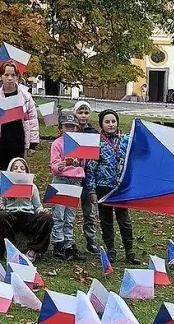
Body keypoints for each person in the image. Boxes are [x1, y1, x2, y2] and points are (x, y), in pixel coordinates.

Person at [85, 109, 138, 264]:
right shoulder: (97, 142)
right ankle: (111, 250)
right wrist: (92, 190)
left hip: (121, 187)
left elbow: (142, 148)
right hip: (103, 187)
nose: (111, 124)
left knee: (124, 220)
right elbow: (91, 169)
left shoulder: (126, 140)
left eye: (113, 121)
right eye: (107, 122)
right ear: (101, 123)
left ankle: (130, 250)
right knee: (106, 220)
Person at [0, 61, 39, 179]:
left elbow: (33, 120)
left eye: (13, 75)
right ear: (1, 76)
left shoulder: (25, 97)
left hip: (19, 142)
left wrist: (33, 144)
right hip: (1, 142)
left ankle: (17, 195)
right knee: (2, 171)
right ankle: (1, 195)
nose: (9, 78)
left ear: (18, 76)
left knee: (17, 172)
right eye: (6, 75)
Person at [0, 157, 52, 263]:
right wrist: (0, 208)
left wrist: (42, 211)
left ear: (26, 171)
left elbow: (37, 206)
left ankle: (33, 250)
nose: (19, 170)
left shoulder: (32, 187)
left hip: (28, 216)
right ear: (10, 171)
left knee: (47, 219)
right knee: (1, 216)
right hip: (11, 216)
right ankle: (8, 250)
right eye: (15, 168)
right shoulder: (3, 187)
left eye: (22, 168)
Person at [49, 111, 84, 261]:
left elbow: (85, 162)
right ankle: (58, 244)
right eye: (67, 126)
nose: (70, 129)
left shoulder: (80, 143)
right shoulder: (57, 143)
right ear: (61, 127)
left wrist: (79, 163)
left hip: (75, 181)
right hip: (60, 180)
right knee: (59, 214)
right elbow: (54, 165)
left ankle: (69, 244)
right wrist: (60, 166)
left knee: (70, 216)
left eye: (73, 126)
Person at [72, 100, 100, 254]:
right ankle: (67, 240)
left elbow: (95, 156)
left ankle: (91, 240)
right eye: (80, 112)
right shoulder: (71, 131)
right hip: (71, 176)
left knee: (88, 211)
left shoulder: (93, 133)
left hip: (87, 178)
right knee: (68, 211)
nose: (83, 116)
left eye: (86, 112)